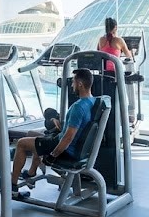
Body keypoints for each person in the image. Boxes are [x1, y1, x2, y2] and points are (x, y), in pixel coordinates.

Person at [11, 69, 95, 199]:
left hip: (66, 149)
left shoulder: (78, 107)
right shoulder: (92, 101)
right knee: (32, 134)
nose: (72, 85)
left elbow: (67, 138)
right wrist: (58, 122)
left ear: (79, 84)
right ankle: (32, 171)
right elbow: (73, 128)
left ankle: (12, 188)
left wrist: (52, 156)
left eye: (73, 82)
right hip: (72, 144)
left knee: (22, 143)